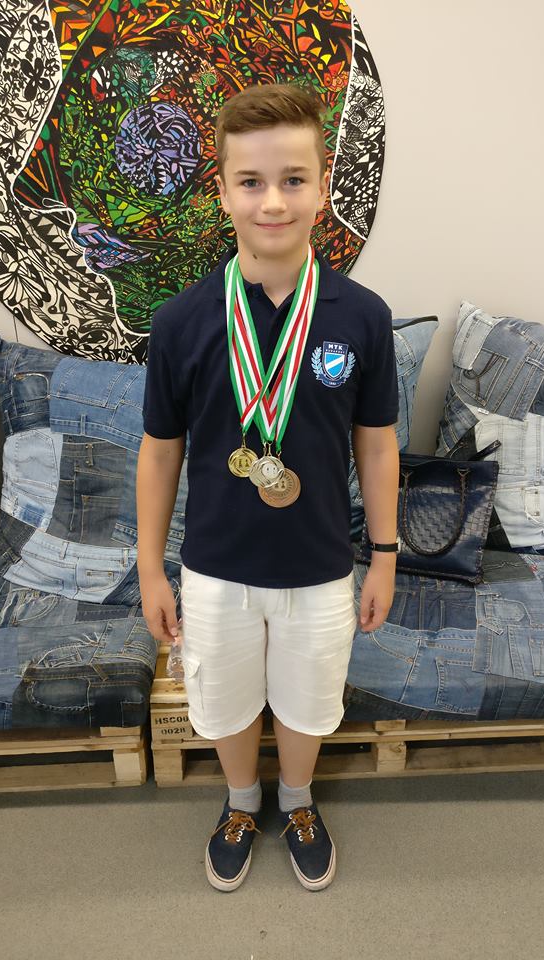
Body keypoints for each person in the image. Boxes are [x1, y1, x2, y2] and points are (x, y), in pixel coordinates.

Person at [137, 83, 399, 892]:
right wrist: (151, 570)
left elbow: (377, 445)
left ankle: (298, 798)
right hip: (215, 566)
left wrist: (384, 555)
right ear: (222, 192)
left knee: (309, 698)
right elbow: (159, 454)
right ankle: (243, 801)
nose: (273, 201)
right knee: (224, 700)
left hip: (320, 564)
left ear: (322, 188)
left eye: (293, 179)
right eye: (250, 182)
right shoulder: (181, 321)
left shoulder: (361, 316)